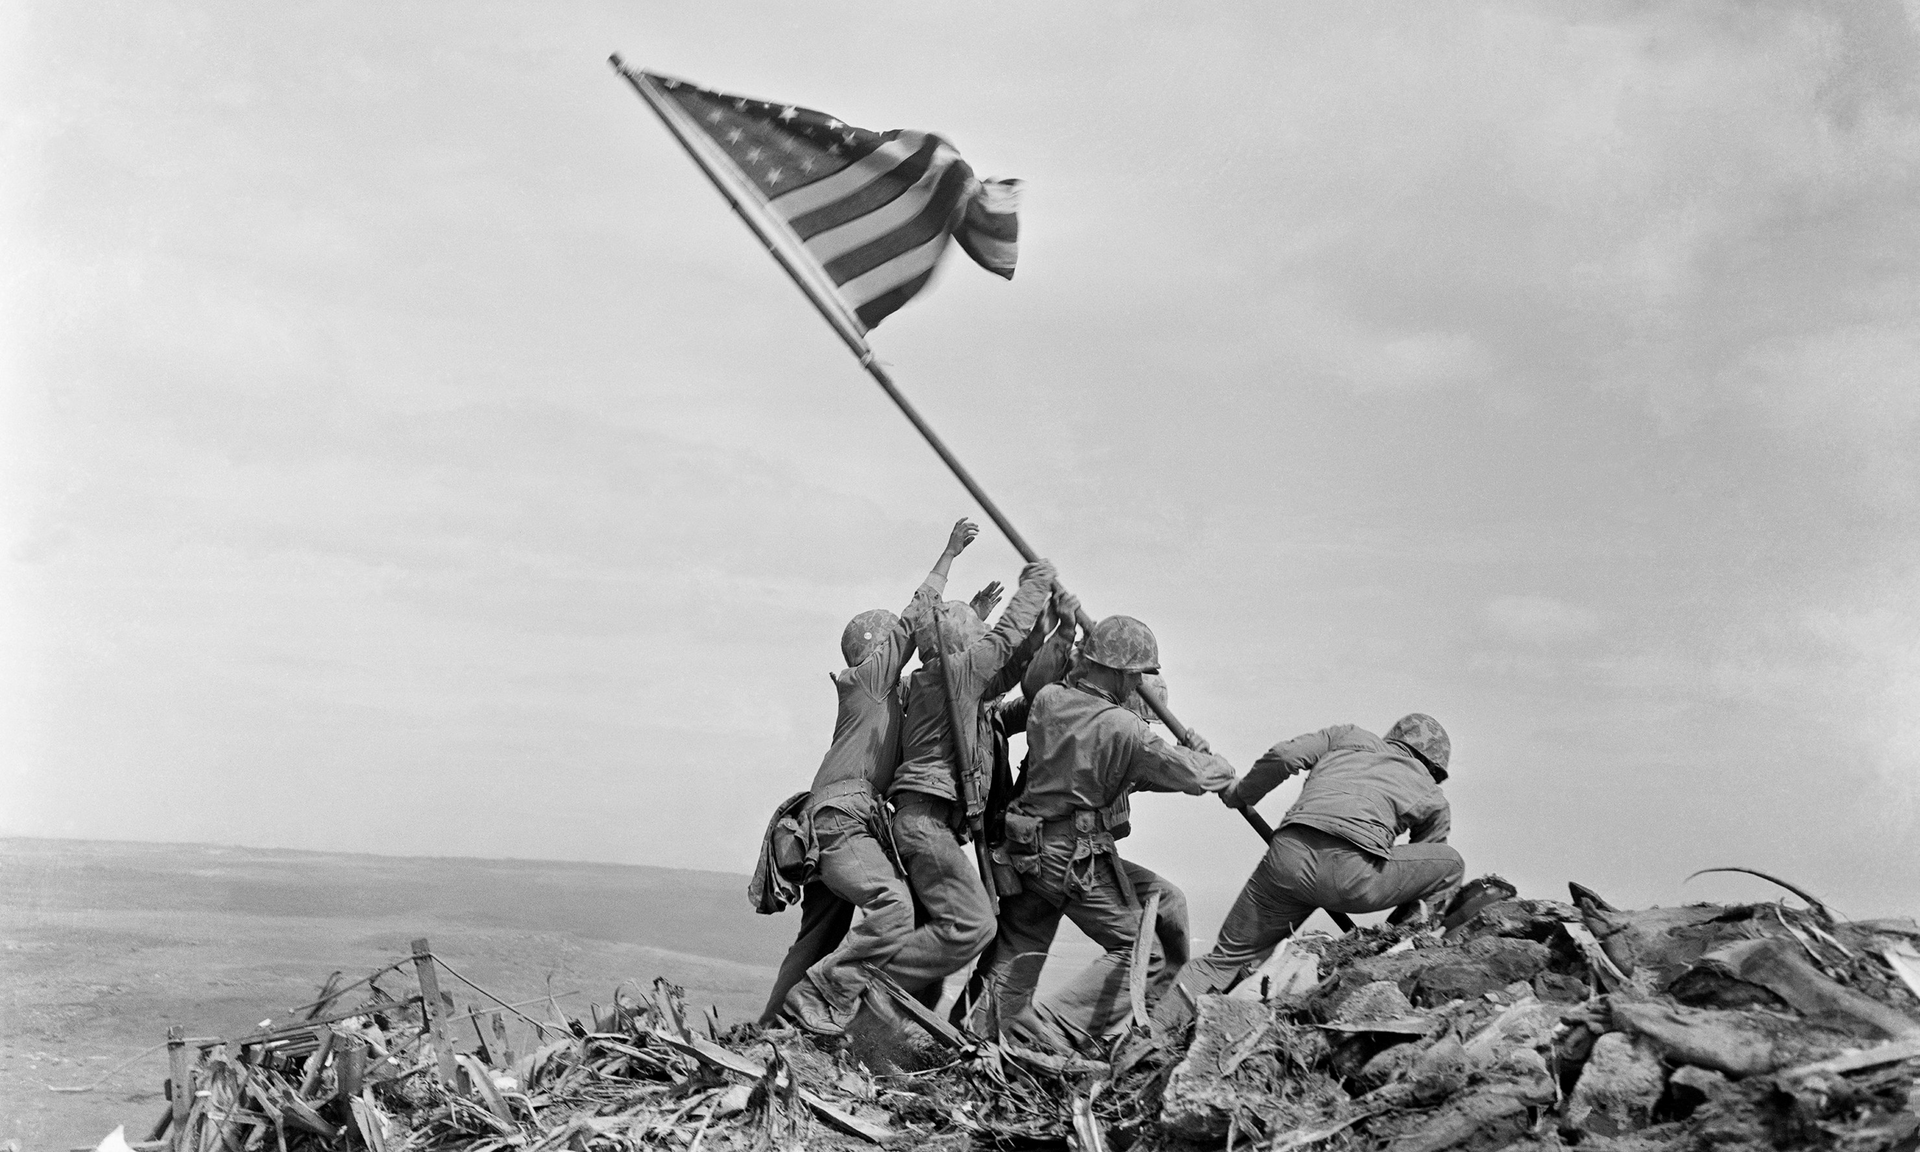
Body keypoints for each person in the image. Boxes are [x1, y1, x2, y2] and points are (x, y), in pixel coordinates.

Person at [970, 614, 1238, 1048]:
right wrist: (1211, 760)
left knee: (1022, 947)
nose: (1137, 685)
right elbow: (1192, 776)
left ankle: (981, 1036)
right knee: (1143, 954)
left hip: (1027, 849)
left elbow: (1131, 770)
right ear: (1118, 671)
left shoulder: (1051, 701)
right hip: (1072, 857)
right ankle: (1050, 1032)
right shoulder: (1125, 728)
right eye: (1135, 676)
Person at [766, 518, 984, 1034]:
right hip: (842, 820)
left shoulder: (884, 698)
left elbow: (941, 672)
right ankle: (823, 1002)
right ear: (878, 647)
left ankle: (770, 1029)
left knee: (819, 935)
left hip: (832, 822)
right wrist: (949, 555)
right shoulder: (866, 682)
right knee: (892, 906)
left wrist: (969, 622)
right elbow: (914, 621)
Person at [1169, 714, 1464, 1015]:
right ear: (1434, 766)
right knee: (1450, 864)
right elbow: (1424, 864)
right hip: (1352, 877)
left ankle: (1148, 1034)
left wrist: (1240, 793)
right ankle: (1394, 952)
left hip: (1286, 861)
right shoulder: (1432, 796)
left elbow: (1285, 756)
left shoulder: (1348, 736)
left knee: (1223, 960)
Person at [869, 555, 1063, 1006]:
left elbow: (1010, 667)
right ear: (963, 644)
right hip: (926, 824)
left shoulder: (944, 681)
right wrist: (1035, 584)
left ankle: (885, 1025)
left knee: (934, 947)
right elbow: (1005, 638)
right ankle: (871, 983)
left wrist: (1051, 625)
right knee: (974, 925)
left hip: (929, 825)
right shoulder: (955, 675)